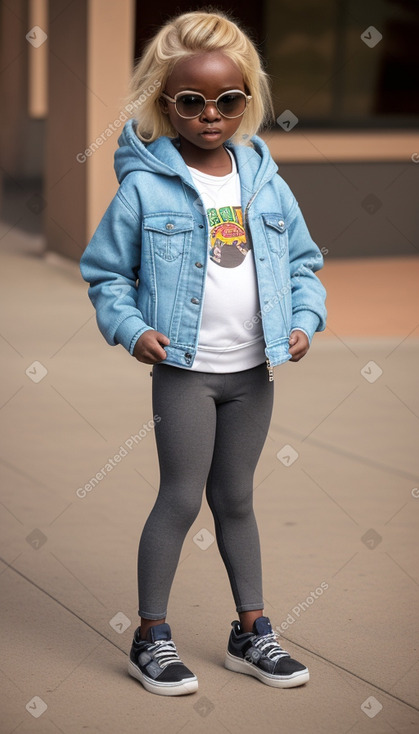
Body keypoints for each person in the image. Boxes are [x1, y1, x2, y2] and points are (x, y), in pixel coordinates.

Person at [80, 7, 327, 697]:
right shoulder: (144, 186)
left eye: (227, 100)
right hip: (186, 373)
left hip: (253, 371)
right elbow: (104, 273)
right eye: (191, 101)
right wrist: (131, 330)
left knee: (237, 498)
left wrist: (304, 319)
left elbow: (303, 264)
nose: (210, 114)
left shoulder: (266, 182)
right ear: (166, 103)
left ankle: (251, 629)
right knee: (181, 498)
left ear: (247, 101)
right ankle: (149, 636)